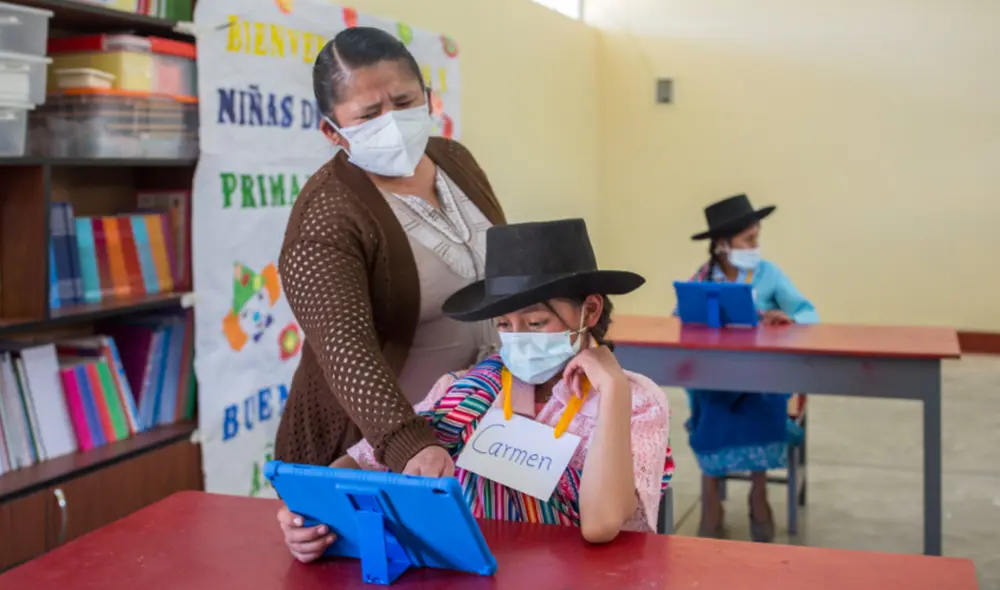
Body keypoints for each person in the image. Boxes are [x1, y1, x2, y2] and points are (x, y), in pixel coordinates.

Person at [278, 219, 674, 561]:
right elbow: (363, 462)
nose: (518, 339)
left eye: (536, 324)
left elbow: (601, 525)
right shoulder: (465, 391)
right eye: (504, 325)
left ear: (589, 310)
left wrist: (612, 388)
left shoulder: (635, 401)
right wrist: (307, 512)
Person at [274, 27, 507, 477]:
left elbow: (507, 272)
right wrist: (407, 443)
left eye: (403, 103)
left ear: (428, 97)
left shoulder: (455, 160)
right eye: (369, 114)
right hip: (380, 454)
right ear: (333, 131)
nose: (393, 121)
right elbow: (345, 350)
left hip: (479, 427)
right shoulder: (326, 216)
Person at [684, 194, 818, 542]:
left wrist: (787, 319)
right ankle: (711, 493)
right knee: (707, 400)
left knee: (761, 399)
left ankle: (758, 491)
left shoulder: (769, 274)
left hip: (763, 375)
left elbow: (808, 312)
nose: (755, 245)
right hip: (716, 377)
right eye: (748, 239)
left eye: (757, 237)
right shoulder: (702, 279)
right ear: (723, 244)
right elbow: (681, 320)